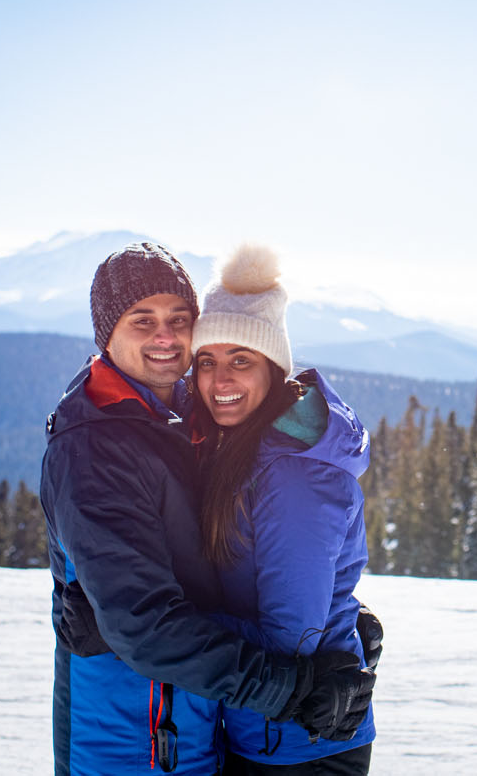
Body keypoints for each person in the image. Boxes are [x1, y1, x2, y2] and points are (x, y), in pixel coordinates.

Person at [40, 242, 374, 776]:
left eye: (179, 319)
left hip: (201, 733)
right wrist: (120, 624)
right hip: (131, 745)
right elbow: (145, 626)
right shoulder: (97, 449)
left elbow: (264, 561)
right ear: (108, 334)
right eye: (141, 320)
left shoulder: (187, 420)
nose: (165, 337)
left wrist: (347, 627)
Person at [188, 244, 375, 774]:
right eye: (207, 361)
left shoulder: (292, 472)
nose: (220, 381)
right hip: (267, 728)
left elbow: (291, 638)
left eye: (240, 361)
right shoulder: (246, 447)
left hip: (305, 742)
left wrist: (164, 619)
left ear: (274, 369)